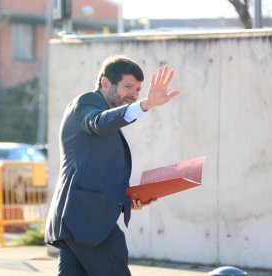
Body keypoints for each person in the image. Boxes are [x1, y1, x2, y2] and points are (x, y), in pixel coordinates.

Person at [45, 55, 179, 275]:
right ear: (105, 83)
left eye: (138, 90)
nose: (133, 94)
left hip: (76, 222)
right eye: (128, 86)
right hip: (87, 223)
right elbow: (98, 123)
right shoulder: (86, 104)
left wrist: (125, 200)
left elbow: (93, 170)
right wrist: (144, 105)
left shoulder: (107, 117)